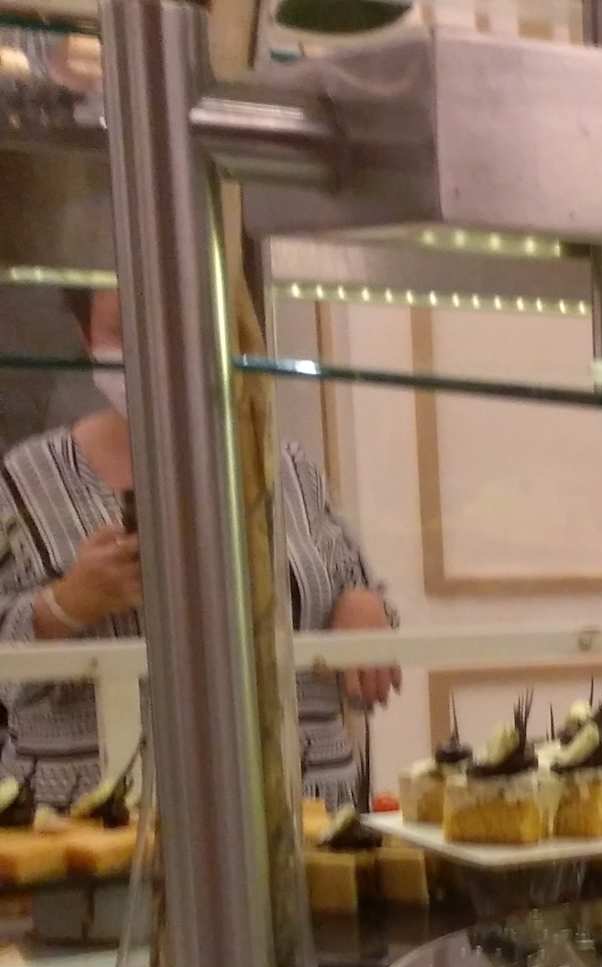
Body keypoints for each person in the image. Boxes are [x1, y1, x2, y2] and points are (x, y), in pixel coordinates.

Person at [0, 290, 400, 807]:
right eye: (125, 331)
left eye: (178, 321)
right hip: (96, 816)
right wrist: (63, 605)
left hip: (298, 804)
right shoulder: (25, 480)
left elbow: (357, 592)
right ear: (86, 337)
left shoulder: (287, 468)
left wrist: (363, 606)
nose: (157, 347)